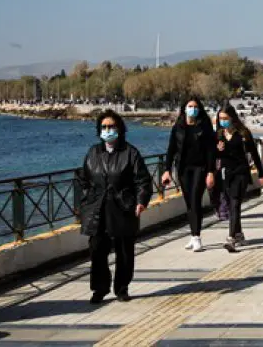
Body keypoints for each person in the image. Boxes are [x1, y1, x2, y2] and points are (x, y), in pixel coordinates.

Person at [77, 110, 153, 304]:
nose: (108, 130)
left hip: (122, 207)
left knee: (124, 250)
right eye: (104, 127)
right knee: (97, 249)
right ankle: (99, 288)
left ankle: (122, 287)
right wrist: (86, 201)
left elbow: (143, 180)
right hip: (97, 208)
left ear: (119, 128)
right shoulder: (93, 152)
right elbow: (83, 180)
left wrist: (141, 201)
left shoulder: (130, 153)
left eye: (111, 126)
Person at [162, 97, 216, 252]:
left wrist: (211, 172)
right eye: (190, 106)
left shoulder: (204, 127)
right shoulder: (178, 127)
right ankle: (193, 236)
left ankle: (197, 237)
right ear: (184, 108)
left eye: (195, 106)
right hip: (183, 169)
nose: (192, 109)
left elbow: (211, 151)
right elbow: (171, 150)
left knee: (195, 200)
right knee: (189, 203)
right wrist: (166, 170)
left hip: (200, 168)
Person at [216, 103, 263, 253]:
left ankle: (231, 238)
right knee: (231, 203)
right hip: (226, 173)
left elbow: (254, 154)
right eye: (220, 118)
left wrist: (261, 173)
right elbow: (216, 156)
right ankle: (239, 234)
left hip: (241, 172)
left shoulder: (243, 133)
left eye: (225, 118)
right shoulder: (219, 134)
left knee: (235, 204)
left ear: (232, 118)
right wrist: (218, 151)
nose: (222, 121)